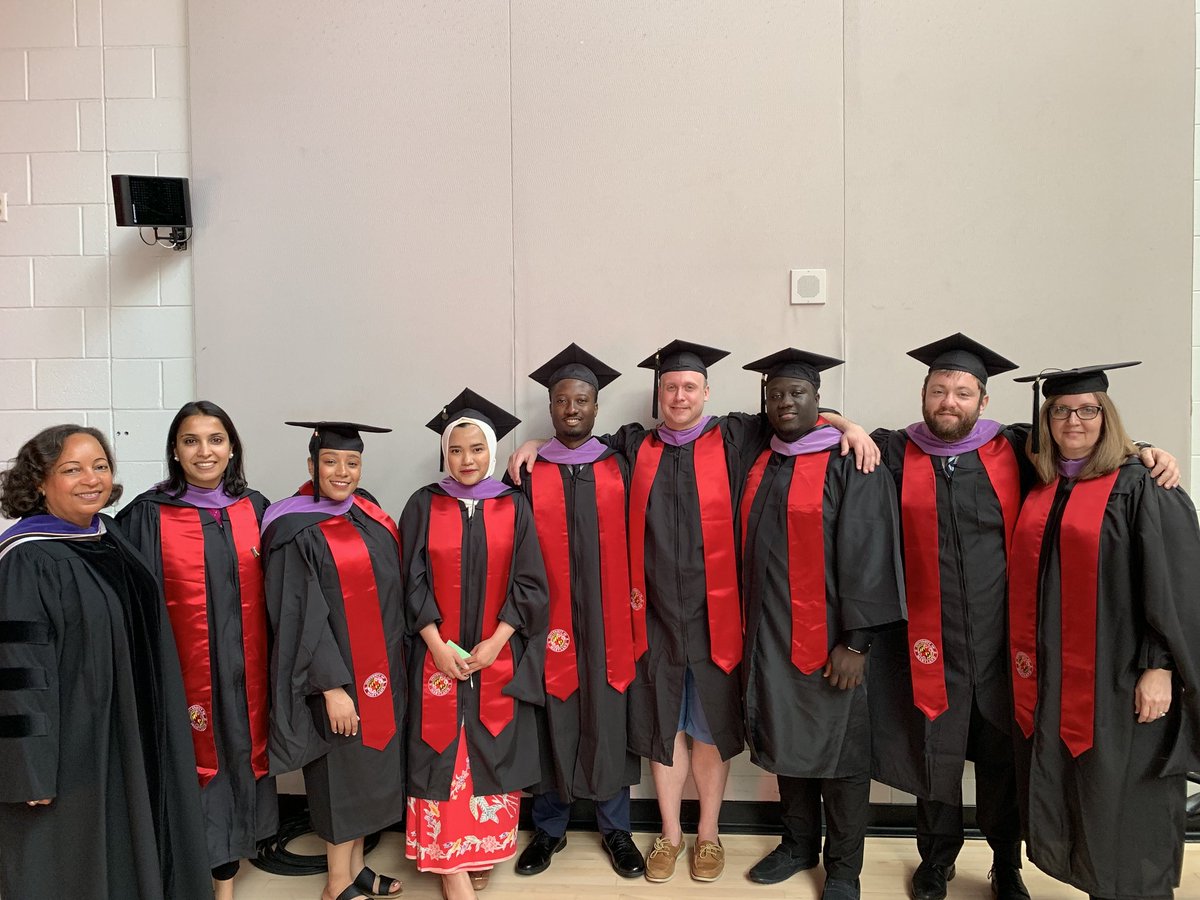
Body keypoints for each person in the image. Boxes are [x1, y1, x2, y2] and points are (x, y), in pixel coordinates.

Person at [508, 338, 877, 884]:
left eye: (689, 387)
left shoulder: (735, 436)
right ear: (657, 396)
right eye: (669, 387)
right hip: (650, 618)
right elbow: (576, 442)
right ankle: (669, 836)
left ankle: (707, 835)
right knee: (662, 729)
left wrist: (848, 425)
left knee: (708, 730)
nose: (679, 396)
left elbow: (792, 411)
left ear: (707, 392)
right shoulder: (634, 445)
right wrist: (535, 442)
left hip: (718, 620)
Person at [866, 333, 1179, 900]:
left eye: (963, 391)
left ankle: (1004, 866)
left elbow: (1089, 451)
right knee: (933, 756)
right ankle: (934, 863)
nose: (949, 401)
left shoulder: (1015, 449)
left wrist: (1148, 450)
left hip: (1007, 641)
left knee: (1004, 761)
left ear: (984, 401)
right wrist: (841, 423)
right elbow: (837, 446)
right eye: (939, 389)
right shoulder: (894, 452)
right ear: (923, 394)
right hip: (931, 641)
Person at [1007, 363, 1200, 900]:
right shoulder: (1044, 482)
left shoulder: (1142, 484)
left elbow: (1172, 586)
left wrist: (1160, 667)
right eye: (1062, 410)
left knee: (1128, 795)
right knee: (1090, 792)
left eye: (1088, 409)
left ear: (1106, 416)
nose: (1074, 419)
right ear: (1046, 421)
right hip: (1061, 676)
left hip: (1124, 673)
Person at [0, 425, 211, 900]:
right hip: (74, 752)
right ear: (39, 482)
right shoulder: (26, 559)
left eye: (99, 466)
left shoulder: (107, 533)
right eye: (71, 469)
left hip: (131, 731)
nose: (91, 479)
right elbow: (18, 669)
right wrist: (29, 768)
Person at [738, 349, 906, 900]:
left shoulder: (850, 460)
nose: (785, 403)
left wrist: (856, 641)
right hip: (770, 634)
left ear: (819, 400)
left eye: (797, 394)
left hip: (834, 638)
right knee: (787, 741)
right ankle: (797, 843)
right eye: (776, 395)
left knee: (841, 754)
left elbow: (871, 549)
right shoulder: (762, 457)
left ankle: (843, 867)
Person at [117, 400, 277, 900]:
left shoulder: (254, 506)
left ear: (232, 448)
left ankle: (243, 845)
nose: (204, 451)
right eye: (191, 441)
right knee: (199, 753)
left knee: (244, 745)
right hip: (187, 673)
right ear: (175, 450)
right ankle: (210, 873)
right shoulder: (147, 514)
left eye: (215, 440)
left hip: (248, 667)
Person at [400, 389, 549, 900]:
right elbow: (411, 580)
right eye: (457, 450)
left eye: (477, 450)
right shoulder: (424, 503)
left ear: (491, 452)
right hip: (435, 656)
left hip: (496, 656)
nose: (467, 460)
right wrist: (437, 645)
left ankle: (480, 851)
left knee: (489, 747)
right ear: (446, 453)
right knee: (444, 749)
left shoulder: (513, 505)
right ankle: (449, 863)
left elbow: (530, 583)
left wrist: (496, 641)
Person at [510, 344, 644, 880]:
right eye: (562, 400)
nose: (572, 409)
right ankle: (549, 828)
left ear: (596, 407)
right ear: (550, 407)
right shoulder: (526, 471)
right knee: (554, 719)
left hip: (611, 622)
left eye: (582, 401)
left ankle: (617, 830)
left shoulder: (622, 462)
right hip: (551, 623)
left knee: (609, 718)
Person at [261, 421, 405, 900]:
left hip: (379, 676)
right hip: (335, 682)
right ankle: (336, 883)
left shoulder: (369, 514)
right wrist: (331, 687)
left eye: (352, 462)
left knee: (365, 777)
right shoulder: (292, 527)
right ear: (311, 466)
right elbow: (297, 615)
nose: (342, 472)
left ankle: (357, 869)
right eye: (330, 461)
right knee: (338, 781)